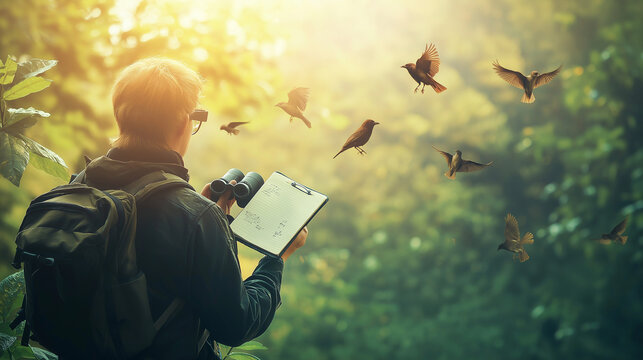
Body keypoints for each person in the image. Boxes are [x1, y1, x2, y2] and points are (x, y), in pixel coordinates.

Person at [82, 58, 307, 359]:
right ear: (181, 123)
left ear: (120, 116)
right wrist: (276, 258)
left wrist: (213, 218)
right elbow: (236, 324)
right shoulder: (194, 217)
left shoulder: (81, 188)